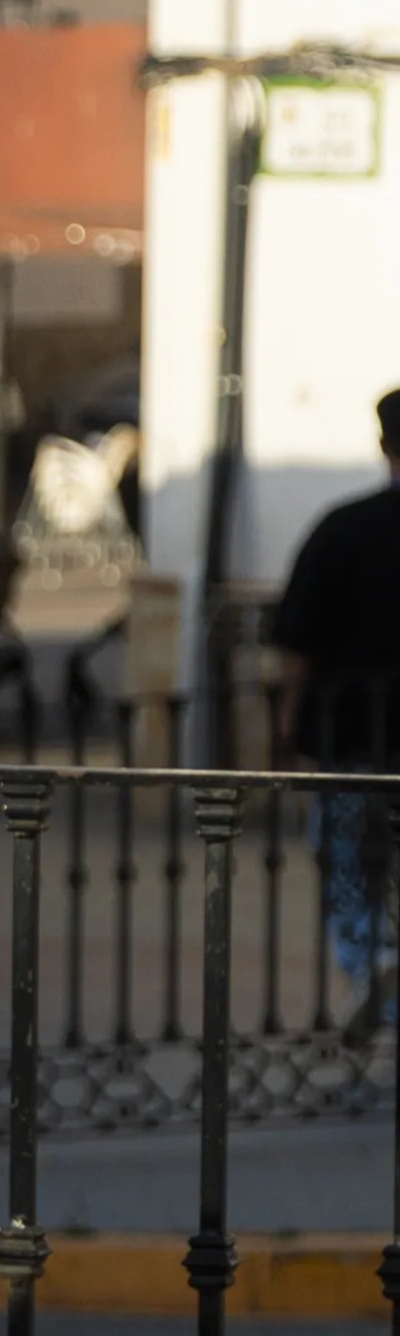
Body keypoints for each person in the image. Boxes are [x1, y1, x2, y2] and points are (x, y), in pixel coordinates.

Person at [276, 391, 400, 998]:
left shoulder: (342, 529)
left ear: (385, 448)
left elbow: (296, 637)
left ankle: (368, 960)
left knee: (349, 863)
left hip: (350, 734)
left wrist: (289, 718)